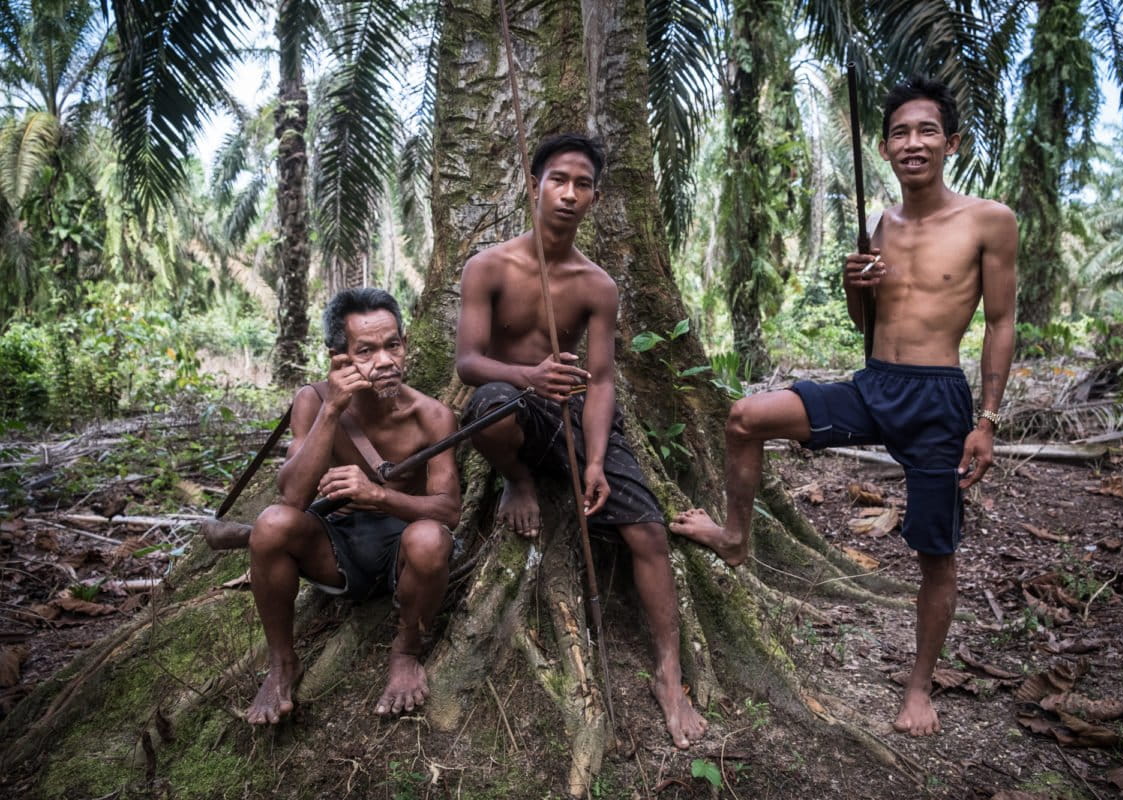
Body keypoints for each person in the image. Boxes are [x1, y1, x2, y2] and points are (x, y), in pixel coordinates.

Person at [671, 75, 1018, 737]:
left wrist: (988, 421)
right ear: (883, 149)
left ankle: (919, 688)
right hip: (873, 384)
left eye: (926, 131)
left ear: (951, 142)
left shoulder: (988, 220)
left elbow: (1001, 322)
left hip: (938, 399)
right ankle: (735, 537)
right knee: (745, 417)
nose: (912, 143)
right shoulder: (878, 223)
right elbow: (866, 321)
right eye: (899, 133)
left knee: (935, 552)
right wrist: (852, 281)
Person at [455, 133, 708, 749]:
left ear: (595, 196)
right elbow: (467, 363)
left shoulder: (597, 286)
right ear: (534, 185)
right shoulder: (489, 267)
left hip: (572, 417)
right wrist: (529, 376)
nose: (569, 194)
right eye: (559, 180)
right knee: (488, 406)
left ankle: (669, 674)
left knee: (648, 531)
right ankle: (519, 481)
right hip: (512, 402)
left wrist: (595, 460)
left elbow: (601, 381)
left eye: (583, 184)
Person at [245, 288, 461, 724]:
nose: (384, 361)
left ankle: (406, 651)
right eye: (366, 351)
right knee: (270, 525)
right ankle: (282, 663)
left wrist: (378, 495)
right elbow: (293, 498)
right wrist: (331, 411)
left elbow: (449, 512)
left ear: (405, 344)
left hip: (402, 555)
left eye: (392, 345)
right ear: (338, 358)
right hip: (335, 549)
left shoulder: (432, 416)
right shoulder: (313, 400)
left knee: (429, 539)